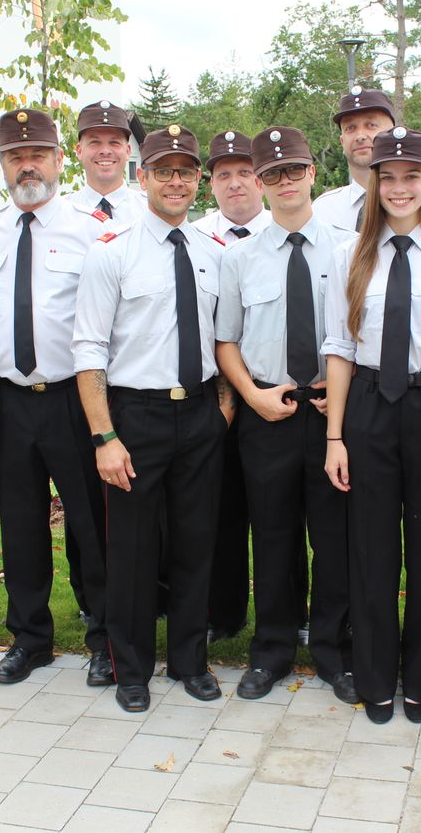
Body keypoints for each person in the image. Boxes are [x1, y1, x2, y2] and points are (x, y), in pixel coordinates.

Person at [323, 127, 421, 724]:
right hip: (367, 406)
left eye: (411, 177)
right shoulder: (347, 257)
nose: (398, 188)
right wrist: (335, 436)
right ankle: (375, 679)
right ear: (373, 183)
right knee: (370, 551)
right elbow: (339, 350)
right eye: (387, 177)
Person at [73, 124, 229, 713]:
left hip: (200, 412)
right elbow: (88, 350)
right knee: (133, 550)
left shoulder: (215, 255)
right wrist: (104, 436)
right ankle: (130, 666)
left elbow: (224, 339)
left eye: (186, 171)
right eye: (163, 170)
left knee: (196, 543)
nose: (175, 181)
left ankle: (191, 660)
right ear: (144, 178)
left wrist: (223, 411)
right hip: (134, 416)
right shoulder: (112, 253)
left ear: (199, 181)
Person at [216, 126, 357, 703]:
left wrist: (340, 400)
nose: (284, 181)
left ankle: (334, 651)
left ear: (312, 173)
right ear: (259, 181)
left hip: (332, 414)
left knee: (334, 538)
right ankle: (271, 651)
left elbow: (359, 332)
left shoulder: (352, 247)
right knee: (271, 537)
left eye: (293, 170)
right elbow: (226, 341)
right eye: (271, 173)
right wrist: (252, 396)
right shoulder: (240, 257)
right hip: (268, 411)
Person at [0, 109, 112, 687]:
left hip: (74, 399)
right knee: (21, 525)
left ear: (59, 160)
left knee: (93, 524)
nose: (26, 165)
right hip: (13, 402)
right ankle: (30, 639)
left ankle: (108, 636)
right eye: (13, 157)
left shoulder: (93, 227)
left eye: (37, 155)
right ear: (2, 165)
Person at [62, 102, 146, 623]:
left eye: (115, 140)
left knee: (143, 496)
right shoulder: (57, 216)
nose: (106, 149)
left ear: (129, 150)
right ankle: (95, 610)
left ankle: (148, 597)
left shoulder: (152, 207)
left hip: (138, 385)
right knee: (86, 506)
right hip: (83, 385)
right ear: (79, 151)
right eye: (95, 140)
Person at [193, 131, 271, 642]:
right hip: (213, 398)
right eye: (223, 174)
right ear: (211, 184)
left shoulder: (286, 231)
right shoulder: (196, 237)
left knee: (278, 514)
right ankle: (223, 614)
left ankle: (289, 614)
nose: (235, 182)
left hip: (271, 395)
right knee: (217, 510)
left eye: (245, 171)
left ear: (261, 179)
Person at [313, 87, 396, 232]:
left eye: (371, 125)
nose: (360, 136)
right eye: (351, 128)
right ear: (342, 141)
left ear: (394, 132)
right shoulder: (323, 211)